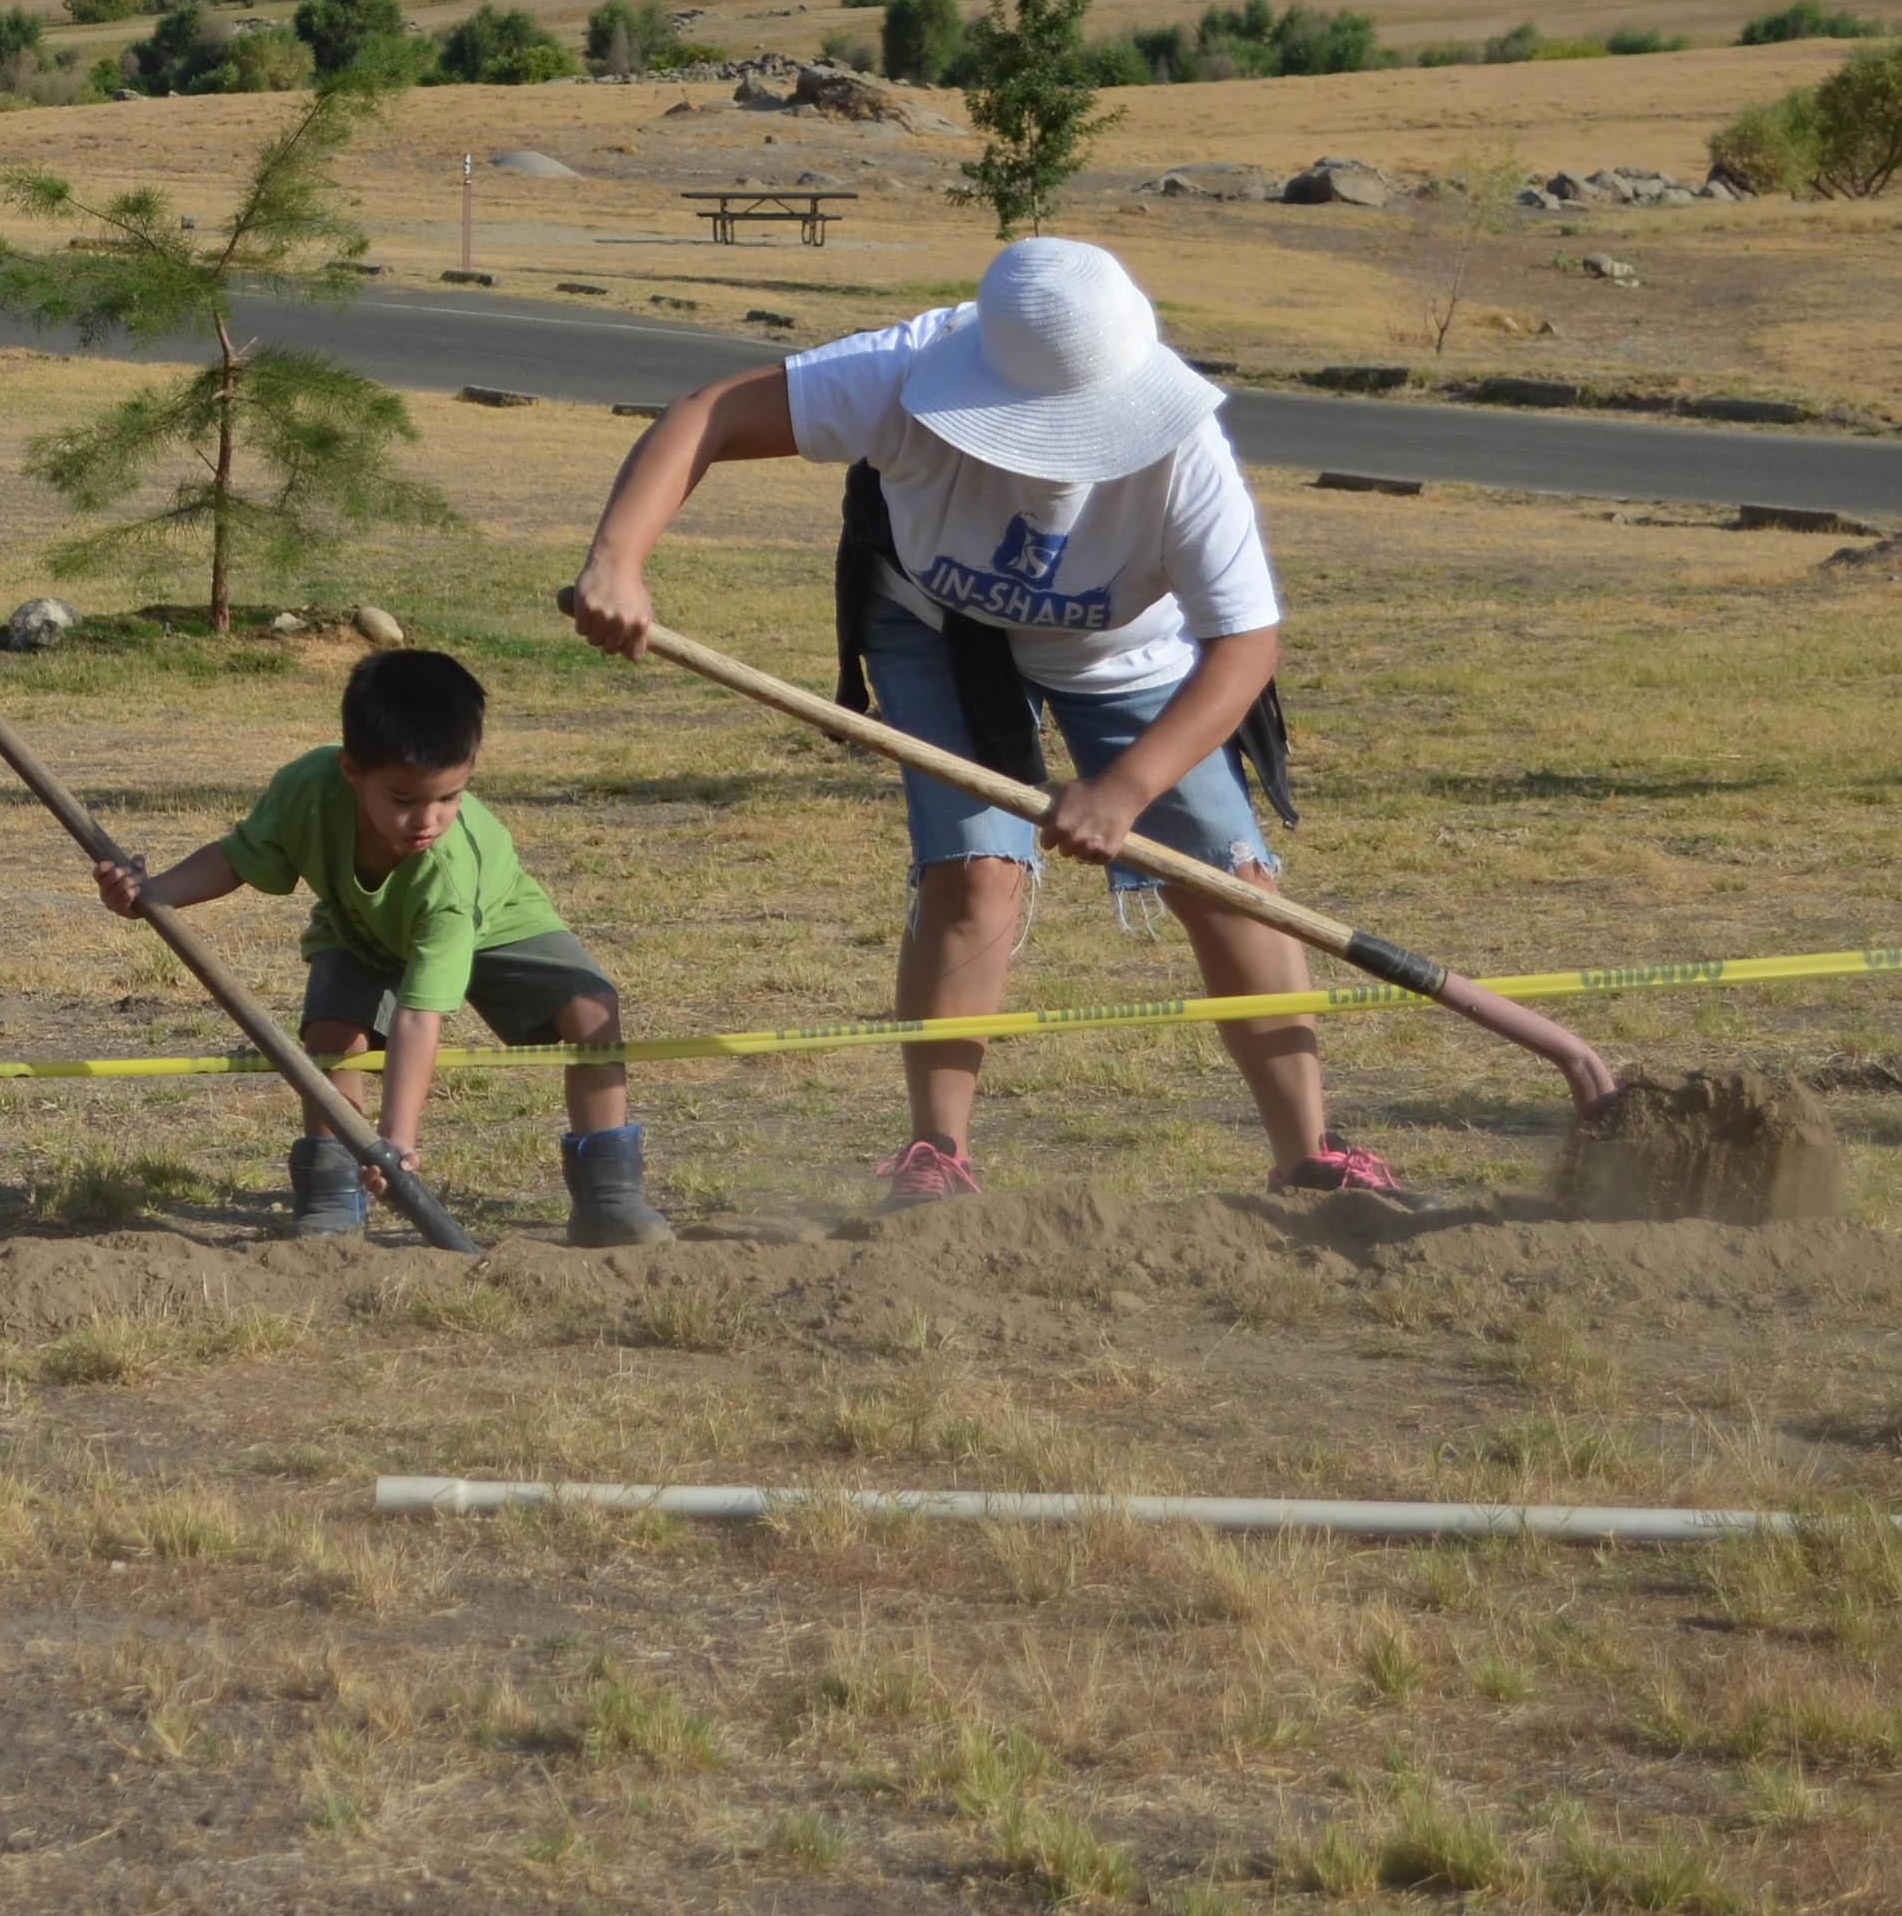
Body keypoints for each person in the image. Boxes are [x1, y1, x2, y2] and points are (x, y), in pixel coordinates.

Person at [572, 233, 1409, 1208]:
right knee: (974, 876)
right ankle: (934, 1156)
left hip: (1121, 652)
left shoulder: (1183, 447)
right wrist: (616, 559)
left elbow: (1243, 647)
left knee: (1234, 881)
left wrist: (1124, 789)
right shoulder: (898, 373)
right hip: (936, 628)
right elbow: (707, 413)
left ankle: (1312, 1153)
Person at [97, 645, 671, 1247]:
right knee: (332, 1036)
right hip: (361, 925)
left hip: (493, 916)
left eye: (451, 798)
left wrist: (397, 1139)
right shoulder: (307, 791)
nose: (428, 821)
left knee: (590, 1011)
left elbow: (420, 1016)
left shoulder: (446, 873)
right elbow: (234, 859)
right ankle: (330, 1196)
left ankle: (610, 1197)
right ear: (352, 773)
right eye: (404, 800)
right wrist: (151, 893)